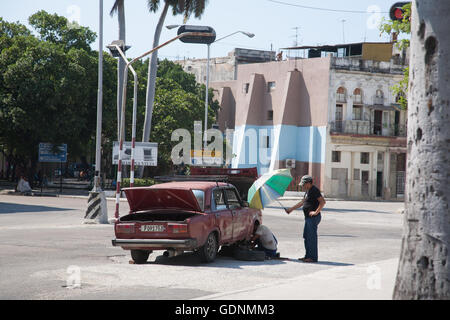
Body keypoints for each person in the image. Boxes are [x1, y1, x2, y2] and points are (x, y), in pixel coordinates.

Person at [285, 175, 326, 263]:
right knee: (306, 237)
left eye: (304, 184)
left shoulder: (314, 190)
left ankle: (313, 257)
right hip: (308, 218)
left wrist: (316, 212)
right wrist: (291, 209)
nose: (303, 186)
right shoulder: (308, 191)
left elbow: (323, 202)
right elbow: (302, 202)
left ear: (309, 183)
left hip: (313, 218)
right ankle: (307, 256)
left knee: (311, 237)